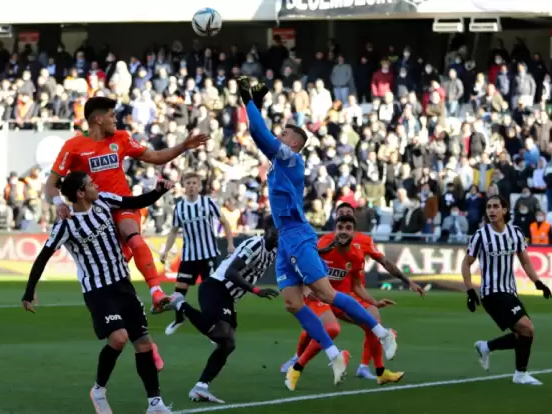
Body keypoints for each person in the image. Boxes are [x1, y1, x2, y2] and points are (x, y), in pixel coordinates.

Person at [238, 76, 397, 386]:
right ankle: (334, 354)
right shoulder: (282, 160)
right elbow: (260, 136)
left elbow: (258, 134)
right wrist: (254, 105)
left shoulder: (290, 157)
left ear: (294, 143)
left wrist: (249, 102)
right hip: (286, 238)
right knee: (292, 303)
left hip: (297, 234)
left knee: (326, 293)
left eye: (283, 133)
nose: (278, 136)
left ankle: (382, 333)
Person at [22, 171, 174, 414]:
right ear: (81, 193)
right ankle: (98, 389)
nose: (96, 186)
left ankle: (154, 403)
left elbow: (133, 202)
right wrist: (29, 291)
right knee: (119, 337)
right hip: (97, 290)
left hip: (122, 284)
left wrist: (158, 192)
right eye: (91, 184)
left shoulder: (103, 200)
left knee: (144, 344)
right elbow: (43, 257)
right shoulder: (66, 223)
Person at [46, 96, 209, 312]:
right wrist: (58, 202)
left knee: (133, 235)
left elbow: (156, 156)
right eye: (112, 115)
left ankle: (156, 292)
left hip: (123, 204)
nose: (116, 120)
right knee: (117, 262)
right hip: (97, 213)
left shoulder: (121, 138)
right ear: (98, 119)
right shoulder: (74, 146)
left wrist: (183, 147)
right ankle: (117, 304)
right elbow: (51, 184)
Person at [281, 203, 424, 383]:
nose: (344, 227)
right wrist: (307, 288)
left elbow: (365, 278)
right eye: (341, 219)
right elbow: (306, 265)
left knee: (373, 318)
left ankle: (375, 370)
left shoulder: (360, 247)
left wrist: (380, 297)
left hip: (344, 296)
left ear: (354, 223)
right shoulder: (324, 244)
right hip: (321, 296)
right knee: (323, 328)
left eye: (349, 219)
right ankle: (297, 362)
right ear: (335, 222)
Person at [168, 228, 279, 404]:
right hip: (216, 287)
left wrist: (320, 251)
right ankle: (180, 303)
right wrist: (255, 290)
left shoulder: (275, 249)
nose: (279, 235)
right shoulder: (255, 245)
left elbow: (295, 252)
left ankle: (201, 387)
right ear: (267, 231)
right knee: (221, 334)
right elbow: (230, 272)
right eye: (275, 231)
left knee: (227, 344)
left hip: (228, 297)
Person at [461, 195, 552, 385]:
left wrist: (538, 282)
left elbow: (525, 260)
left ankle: (496, 354)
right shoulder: (481, 235)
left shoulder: (516, 233)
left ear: (504, 210)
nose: (491, 211)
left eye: (495, 207)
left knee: (525, 334)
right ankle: (518, 372)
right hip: (491, 293)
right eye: (488, 207)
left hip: (510, 291)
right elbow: (466, 262)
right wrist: (470, 290)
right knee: (527, 327)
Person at [161, 172, 235, 335]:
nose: (191, 186)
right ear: (183, 186)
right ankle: (179, 318)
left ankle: (214, 326)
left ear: (199, 186)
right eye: (188, 183)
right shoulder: (179, 207)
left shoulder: (208, 203)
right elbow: (173, 231)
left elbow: (225, 222)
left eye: (194, 183)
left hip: (208, 255)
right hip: (189, 257)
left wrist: (230, 244)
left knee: (209, 293)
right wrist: (166, 250)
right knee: (179, 290)